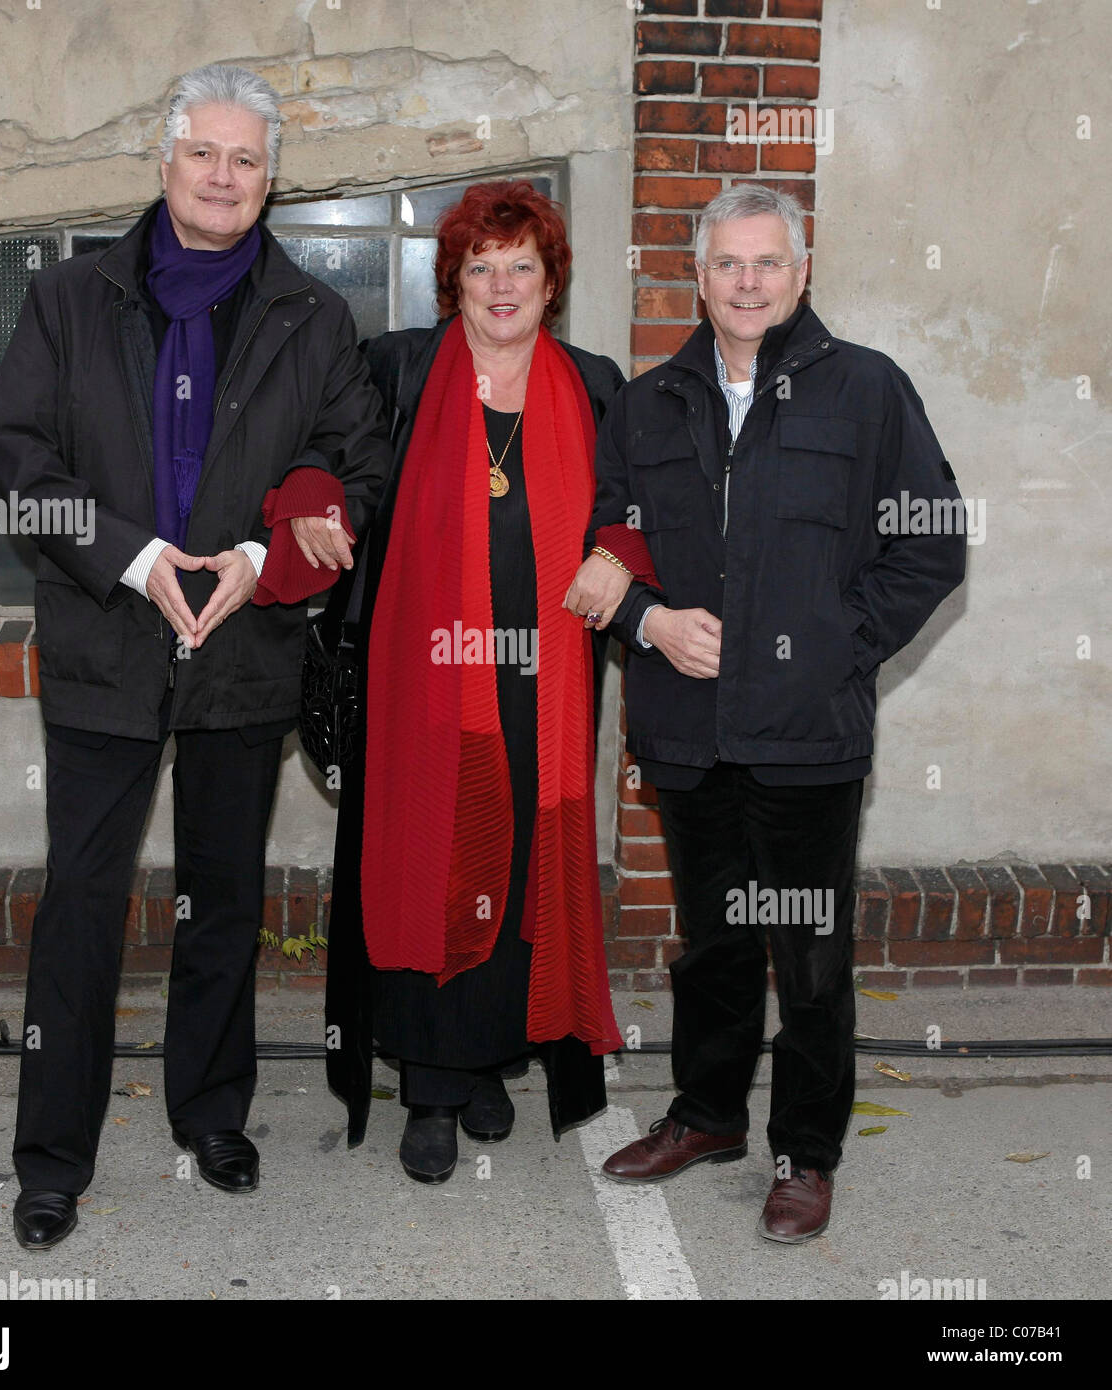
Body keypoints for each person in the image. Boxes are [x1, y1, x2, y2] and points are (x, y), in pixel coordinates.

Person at [0, 63, 389, 1249]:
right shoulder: (66, 300)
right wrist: (131, 556)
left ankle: (213, 1113)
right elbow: (13, 466)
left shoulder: (314, 317)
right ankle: (52, 1155)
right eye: (205, 153)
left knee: (221, 902)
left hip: (243, 650)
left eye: (247, 160)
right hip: (107, 639)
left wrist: (266, 558)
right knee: (81, 909)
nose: (223, 176)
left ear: (272, 179)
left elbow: (357, 476)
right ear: (164, 162)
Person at [592, 185, 966, 1241]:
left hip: (808, 738)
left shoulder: (867, 391)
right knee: (711, 943)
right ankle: (708, 1114)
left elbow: (931, 539)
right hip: (688, 727)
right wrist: (650, 620)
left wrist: (838, 649)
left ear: (802, 273)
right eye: (727, 264)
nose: (747, 282)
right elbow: (605, 538)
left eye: (768, 263)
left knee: (806, 956)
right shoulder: (650, 400)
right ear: (696, 277)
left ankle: (806, 1150)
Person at [323, 180, 646, 1183]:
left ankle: (488, 1061)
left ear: (552, 283)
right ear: (451, 280)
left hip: (541, 681)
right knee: (431, 857)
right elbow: (328, 456)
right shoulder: (399, 373)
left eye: (522, 266)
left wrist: (621, 549)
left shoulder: (596, 387)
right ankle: (428, 1080)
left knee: (517, 869)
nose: (501, 285)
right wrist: (309, 502)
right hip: (425, 681)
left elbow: (647, 493)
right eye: (480, 265)